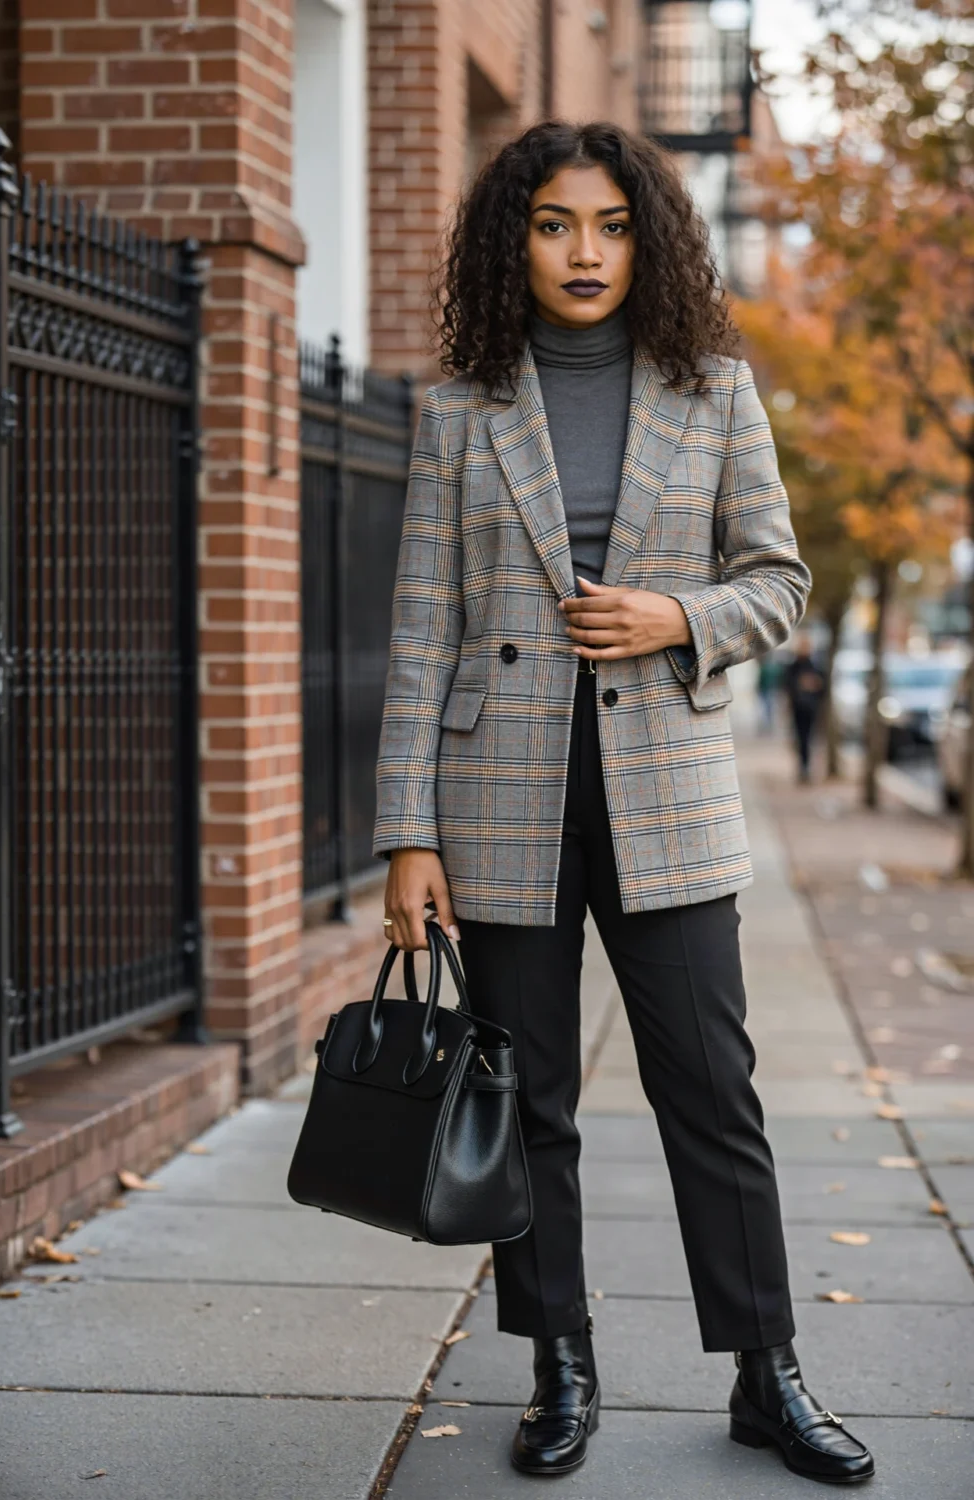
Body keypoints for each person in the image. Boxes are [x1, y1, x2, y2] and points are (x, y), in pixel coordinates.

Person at [374, 122, 874, 1485]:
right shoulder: (461, 407)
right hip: (500, 799)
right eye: (551, 223)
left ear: (647, 237)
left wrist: (675, 614)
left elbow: (779, 581)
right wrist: (406, 833)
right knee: (529, 1096)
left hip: (671, 791)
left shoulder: (713, 390)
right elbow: (424, 631)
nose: (583, 251)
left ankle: (768, 1376)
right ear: (512, 240)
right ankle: (559, 1365)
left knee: (712, 1089)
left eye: (608, 224)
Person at [785, 634, 826, 783]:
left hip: (810, 707)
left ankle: (806, 766)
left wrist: (814, 685)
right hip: (798, 707)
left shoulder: (815, 665)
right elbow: (788, 685)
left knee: (809, 738)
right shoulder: (794, 666)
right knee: (800, 737)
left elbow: (822, 686)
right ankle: (802, 766)